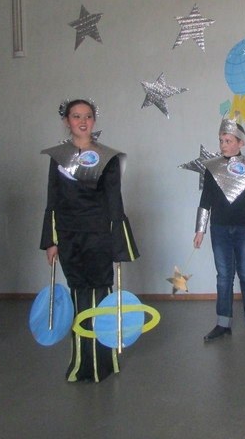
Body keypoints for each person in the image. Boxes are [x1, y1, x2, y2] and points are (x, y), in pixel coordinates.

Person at [40, 99, 139, 383]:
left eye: (87, 116)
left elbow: (114, 201)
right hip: (69, 237)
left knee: (101, 295)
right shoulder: (58, 157)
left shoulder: (108, 157)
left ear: (94, 121)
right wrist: (51, 240)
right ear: (67, 121)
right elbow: (52, 199)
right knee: (77, 295)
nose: (82, 121)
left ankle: (103, 364)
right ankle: (81, 362)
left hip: (99, 236)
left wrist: (119, 243)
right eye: (76, 116)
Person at [193, 118, 245, 343]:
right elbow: (205, 200)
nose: (223, 145)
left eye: (228, 141)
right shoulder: (212, 168)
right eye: (221, 140)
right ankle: (223, 323)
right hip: (219, 228)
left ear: (240, 143)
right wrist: (200, 230)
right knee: (224, 276)